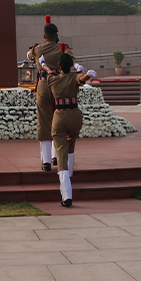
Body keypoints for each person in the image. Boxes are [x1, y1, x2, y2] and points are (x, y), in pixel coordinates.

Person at [45, 47, 91, 207]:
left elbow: (49, 72)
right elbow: (82, 79)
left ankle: (67, 195)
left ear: (59, 65)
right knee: (71, 144)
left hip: (60, 117)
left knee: (61, 154)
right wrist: (86, 73)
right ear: (71, 65)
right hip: (75, 116)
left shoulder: (53, 80)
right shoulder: (74, 77)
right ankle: (70, 175)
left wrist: (43, 64)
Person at [27, 16, 69, 170]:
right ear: (57, 35)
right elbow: (72, 61)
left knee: (44, 122)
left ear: (45, 36)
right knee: (59, 120)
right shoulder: (64, 48)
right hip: (60, 85)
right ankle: (56, 156)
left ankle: (46, 161)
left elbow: (29, 55)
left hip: (44, 86)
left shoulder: (38, 49)